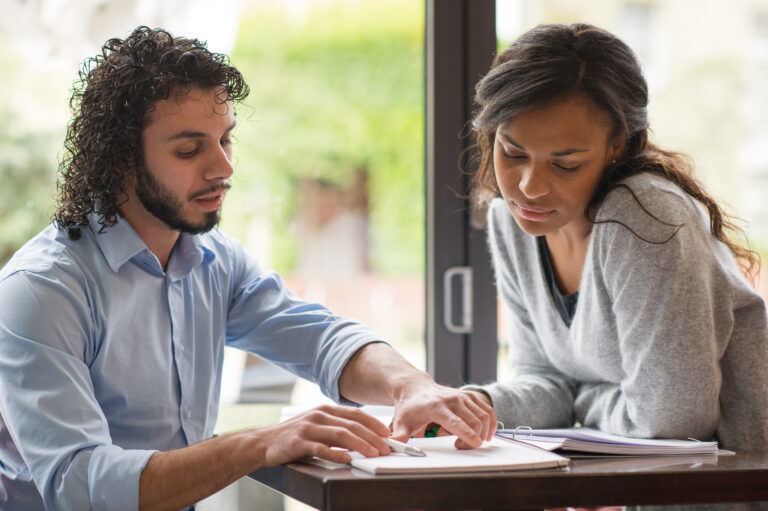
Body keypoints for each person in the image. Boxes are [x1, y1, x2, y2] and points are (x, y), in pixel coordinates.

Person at [0, 26, 496, 510]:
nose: (223, 167)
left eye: (226, 140)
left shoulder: (214, 259)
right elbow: (76, 484)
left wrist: (409, 384)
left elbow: (321, 339)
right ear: (118, 161)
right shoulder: (43, 291)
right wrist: (257, 444)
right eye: (190, 149)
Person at [460, 22, 768, 503]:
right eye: (513, 152)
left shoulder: (644, 217)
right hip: (654, 485)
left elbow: (673, 422)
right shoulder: (511, 221)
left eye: (566, 164)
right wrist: (475, 405)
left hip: (732, 486)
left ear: (617, 144)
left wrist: (578, 398)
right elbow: (544, 380)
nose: (529, 187)